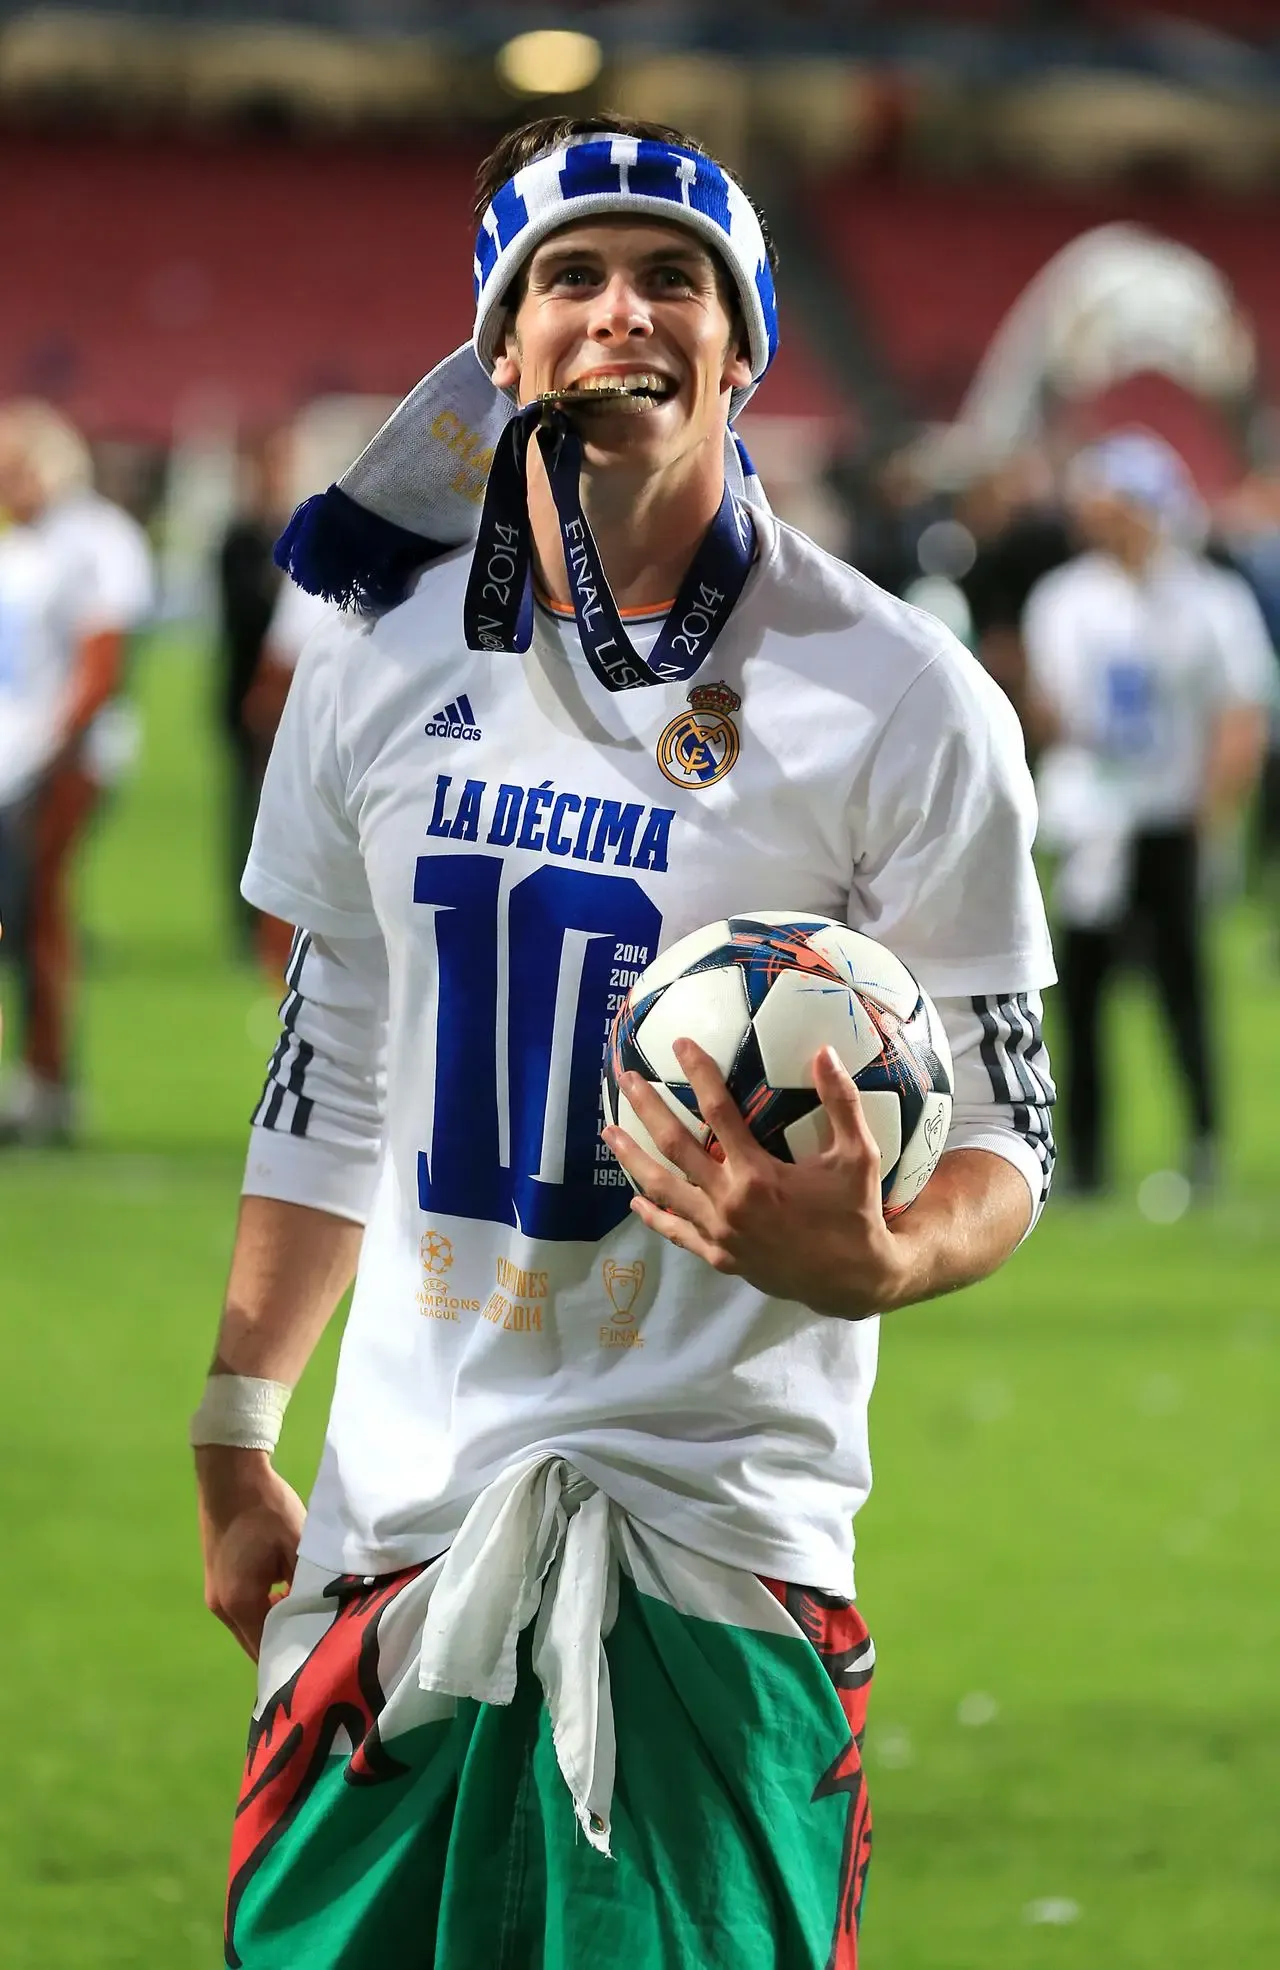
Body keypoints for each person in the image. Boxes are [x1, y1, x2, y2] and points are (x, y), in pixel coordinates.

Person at [193, 116, 1057, 1970]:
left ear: (745, 349)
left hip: (714, 1542)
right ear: (502, 350)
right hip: (391, 1541)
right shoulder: (375, 658)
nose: (623, 311)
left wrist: (892, 1250)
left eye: (677, 278)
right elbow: (331, 1055)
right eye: (568, 278)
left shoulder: (905, 699)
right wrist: (238, 1412)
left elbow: (1015, 1132)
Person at [1023, 431, 1271, 1197]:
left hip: (1168, 818)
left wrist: (1215, 810)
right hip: (1090, 818)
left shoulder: (1210, 598)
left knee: (1181, 990)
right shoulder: (1066, 597)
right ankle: (1084, 1157)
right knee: (1081, 998)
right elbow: (1048, 705)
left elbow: (1242, 712)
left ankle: (1203, 1141)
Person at [0, 399, 153, 1146]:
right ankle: (33, 1077)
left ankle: (46, 1080)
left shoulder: (96, 538)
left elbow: (102, 665)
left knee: (36, 914)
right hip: (16, 758)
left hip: (58, 762)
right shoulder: (23, 541)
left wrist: (48, 755)